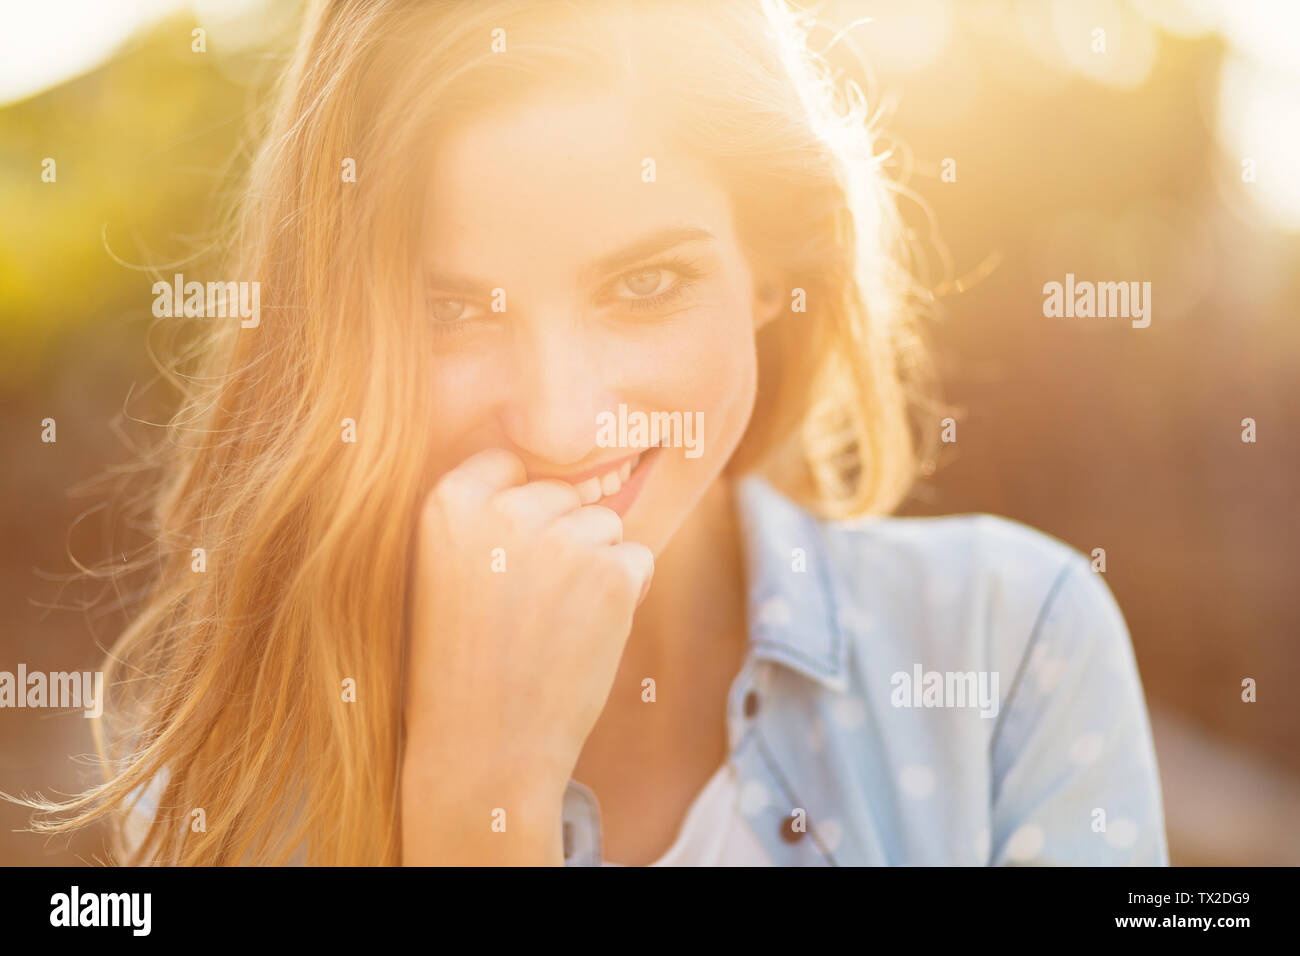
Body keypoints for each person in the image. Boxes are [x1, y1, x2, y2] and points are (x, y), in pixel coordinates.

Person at [16, 0, 1167, 866]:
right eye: (452, 308)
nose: (564, 420)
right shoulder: (249, 773)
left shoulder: (1009, 646)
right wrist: (478, 803)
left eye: (647, 282)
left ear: (771, 268)